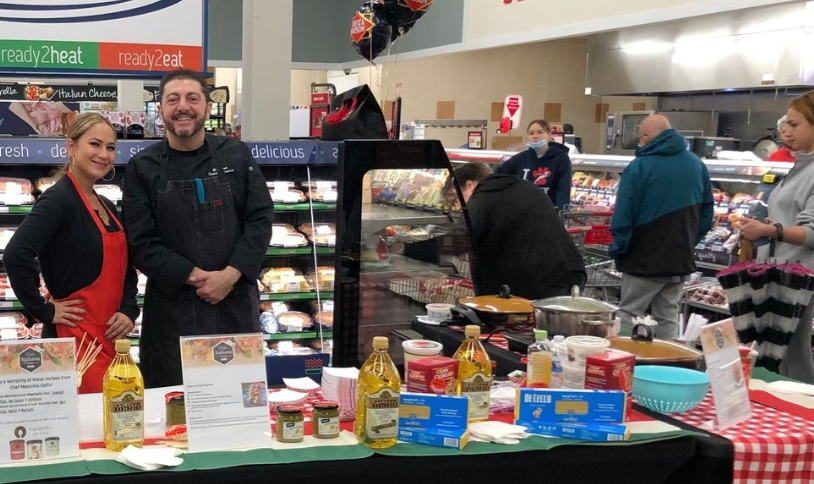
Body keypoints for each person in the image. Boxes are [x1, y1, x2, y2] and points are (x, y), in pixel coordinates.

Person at [123, 69, 273, 388]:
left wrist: (228, 276)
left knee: (236, 404)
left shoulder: (237, 154)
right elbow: (141, 242)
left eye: (193, 98)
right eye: (172, 99)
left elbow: (260, 220)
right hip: (172, 308)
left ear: (206, 107)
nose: (183, 106)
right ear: (161, 109)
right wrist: (197, 278)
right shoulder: (142, 167)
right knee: (171, 411)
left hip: (234, 302)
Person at [5, 113, 138, 394]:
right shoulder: (59, 199)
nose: (104, 154)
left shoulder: (105, 205)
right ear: (71, 147)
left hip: (112, 337)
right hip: (74, 339)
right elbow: (16, 253)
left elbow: (125, 267)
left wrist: (128, 308)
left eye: (110, 147)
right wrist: (43, 309)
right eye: (95, 144)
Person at [610, 114, 714, 340]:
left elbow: (624, 214)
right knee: (668, 315)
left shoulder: (639, 166)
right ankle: (669, 365)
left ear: (646, 136)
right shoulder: (696, 163)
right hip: (679, 259)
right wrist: (688, 241)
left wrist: (619, 248)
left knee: (629, 313)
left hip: (643, 257)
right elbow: (707, 213)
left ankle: (623, 364)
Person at [739, 90, 814, 383]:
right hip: (781, 273)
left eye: (795, 125)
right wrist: (775, 223)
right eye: (785, 124)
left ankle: (805, 413)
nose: (785, 131)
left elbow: (811, 232)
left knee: (792, 352)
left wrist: (770, 230)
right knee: (776, 351)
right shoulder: (801, 164)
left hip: (799, 277)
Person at [444, 163, 586, 300]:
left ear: (470, 185)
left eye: (455, 198)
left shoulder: (484, 196)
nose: (457, 207)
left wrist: (424, 253)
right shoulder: (521, 186)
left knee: (537, 323)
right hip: (567, 271)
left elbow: (458, 240)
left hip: (541, 280)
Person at [495, 119, 572, 210]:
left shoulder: (561, 158)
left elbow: (563, 188)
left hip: (548, 212)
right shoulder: (521, 158)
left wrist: (562, 212)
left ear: (549, 135)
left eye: (540, 132)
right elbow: (498, 175)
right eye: (531, 133)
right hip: (523, 210)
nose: (535, 136)